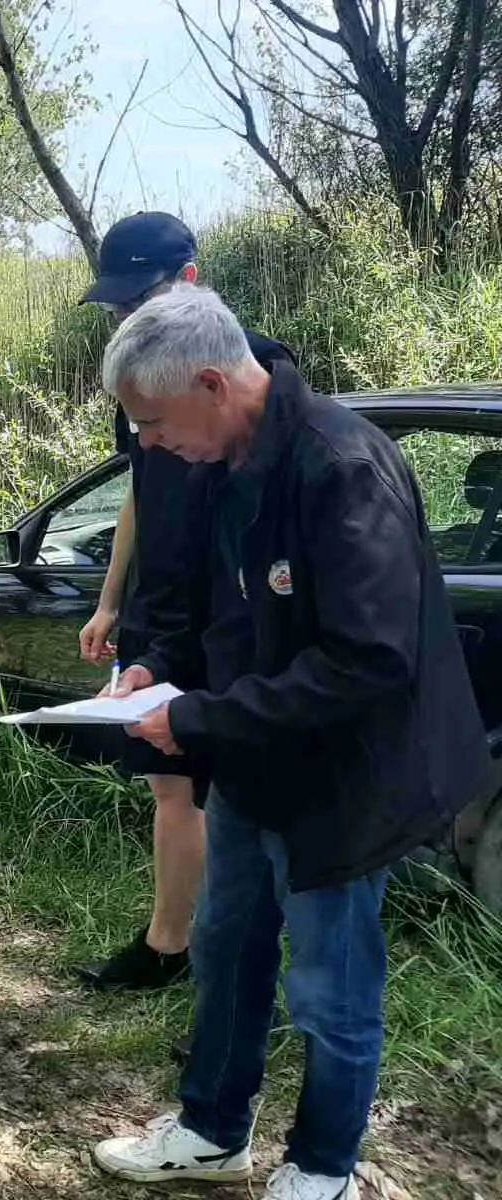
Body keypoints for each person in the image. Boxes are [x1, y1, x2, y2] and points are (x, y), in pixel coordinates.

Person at [91, 286, 487, 1200]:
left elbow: (369, 661)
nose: (147, 444)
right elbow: (228, 621)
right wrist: (162, 669)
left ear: (209, 381)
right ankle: (211, 1130)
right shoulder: (221, 468)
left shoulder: (341, 467)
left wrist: (199, 719)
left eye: (151, 422)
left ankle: (322, 1168)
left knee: (329, 985)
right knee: (226, 950)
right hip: (255, 769)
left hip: (347, 785)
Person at [74, 212, 295, 992]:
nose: (130, 316)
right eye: (120, 304)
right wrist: (109, 600)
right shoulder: (140, 379)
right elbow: (142, 487)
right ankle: (170, 943)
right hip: (159, 612)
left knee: (229, 788)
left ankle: (233, 971)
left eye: (145, 296)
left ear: (192, 281)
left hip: (229, 613)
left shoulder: (252, 374)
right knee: (168, 777)